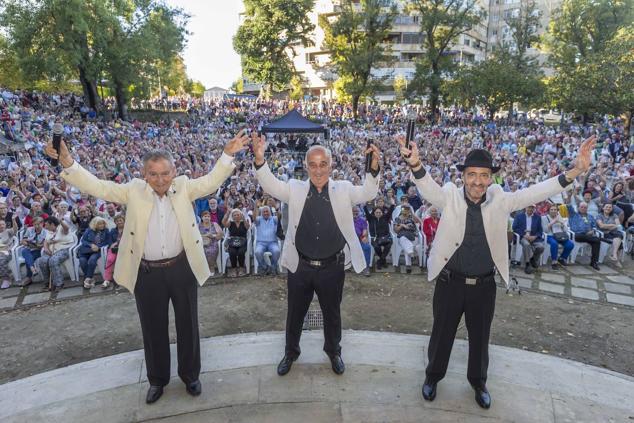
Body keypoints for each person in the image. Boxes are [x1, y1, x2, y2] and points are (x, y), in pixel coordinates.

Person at [45, 130, 248, 404]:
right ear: (144, 174)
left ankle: (191, 375)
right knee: (152, 329)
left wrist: (227, 153)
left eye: (165, 173)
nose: (160, 180)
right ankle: (157, 380)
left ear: (174, 171)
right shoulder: (133, 191)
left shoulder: (185, 186)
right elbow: (98, 186)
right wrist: (68, 162)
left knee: (188, 324)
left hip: (181, 268)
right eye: (154, 174)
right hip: (147, 272)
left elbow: (212, 181)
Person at [398, 134, 595, 409]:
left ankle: (478, 382)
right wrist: (415, 163)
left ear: (491, 178)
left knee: (480, 338)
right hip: (449, 283)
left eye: (483, 175)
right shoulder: (450, 197)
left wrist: (575, 170)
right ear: (463, 176)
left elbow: (537, 191)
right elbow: (427, 187)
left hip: (483, 286)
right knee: (441, 334)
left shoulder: (501, 200)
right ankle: (433, 377)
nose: (477, 181)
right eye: (472, 175)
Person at [253, 133, 380, 377]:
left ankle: (334, 352)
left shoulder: (343, 189)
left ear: (331, 165)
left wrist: (373, 170)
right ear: (306, 166)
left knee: (332, 314)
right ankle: (291, 352)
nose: (318, 170)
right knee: (295, 314)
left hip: (332, 267)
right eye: (313, 164)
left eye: (323, 164)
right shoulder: (295, 189)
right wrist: (260, 160)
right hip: (300, 266)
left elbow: (368, 193)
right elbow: (271, 185)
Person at [35, 216, 75, 291]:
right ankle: (48, 283)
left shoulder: (61, 228)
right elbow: (46, 242)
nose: (45, 226)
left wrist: (61, 221)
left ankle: (59, 283)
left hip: (63, 249)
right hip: (52, 250)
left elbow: (66, 229)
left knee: (53, 260)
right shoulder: (49, 231)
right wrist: (46, 250)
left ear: (52, 224)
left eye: (46, 224)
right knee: (42, 261)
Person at [567, 202, 603, 270]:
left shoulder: (590, 216)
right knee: (595, 239)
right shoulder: (573, 214)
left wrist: (592, 231)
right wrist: (568, 197)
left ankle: (594, 262)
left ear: (587, 209)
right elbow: (569, 206)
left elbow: (594, 226)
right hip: (577, 235)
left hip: (588, 236)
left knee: (596, 242)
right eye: (582, 207)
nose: (583, 208)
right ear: (578, 208)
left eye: (585, 207)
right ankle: (601, 239)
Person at [77, 216, 110, 288]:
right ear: (95, 224)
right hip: (86, 250)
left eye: (103, 224)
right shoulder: (89, 230)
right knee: (82, 261)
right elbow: (83, 240)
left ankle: (87, 279)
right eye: (99, 224)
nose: (102, 225)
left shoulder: (106, 230)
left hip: (96, 251)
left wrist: (99, 246)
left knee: (92, 260)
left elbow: (108, 241)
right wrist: (91, 244)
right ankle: (90, 278)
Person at [512, 205, 545, 274]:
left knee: (541, 247)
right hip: (523, 237)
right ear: (525, 207)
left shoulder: (537, 217)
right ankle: (527, 264)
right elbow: (514, 228)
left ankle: (533, 259)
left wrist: (535, 236)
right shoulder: (519, 216)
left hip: (534, 238)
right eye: (529, 207)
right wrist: (524, 235)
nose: (530, 209)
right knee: (526, 244)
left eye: (532, 207)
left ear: (534, 208)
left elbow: (540, 230)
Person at [541, 204, 574, 270]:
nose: (553, 211)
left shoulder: (560, 217)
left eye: (555, 210)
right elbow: (545, 230)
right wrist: (553, 222)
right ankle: (554, 261)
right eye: (551, 210)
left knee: (570, 244)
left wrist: (562, 224)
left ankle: (562, 258)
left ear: (557, 211)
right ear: (549, 211)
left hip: (560, 236)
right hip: (549, 236)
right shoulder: (544, 218)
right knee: (554, 244)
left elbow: (565, 230)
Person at [253, 203, 281, 275]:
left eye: (267, 211)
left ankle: (273, 266)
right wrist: (255, 208)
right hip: (261, 243)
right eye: (264, 212)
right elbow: (254, 218)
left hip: (273, 242)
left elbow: (280, 216)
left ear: (270, 212)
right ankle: (265, 267)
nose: (265, 213)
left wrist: (276, 207)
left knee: (277, 251)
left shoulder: (274, 218)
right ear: (261, 213)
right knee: (257, 252)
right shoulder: (259, 219)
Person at [19, 216, 48, 286]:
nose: (37, 226)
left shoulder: (45, 232)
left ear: (42, 224)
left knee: (28, 258)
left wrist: (37, 245)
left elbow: (44, 245)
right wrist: (26, 243)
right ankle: (33, 269)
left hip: (39, 251)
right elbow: (23, 240)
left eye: (38, 224)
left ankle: (29, 277)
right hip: (29, 249)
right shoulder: (29, 230)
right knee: (24, 251)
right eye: (35, 224)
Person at [222, 208, 250, 277]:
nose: (236, 216)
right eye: (234, 215)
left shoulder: (244, 222)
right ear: (232, 216)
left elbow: (248, 227)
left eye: (238, 215)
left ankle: (241, 268)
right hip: (232, 242)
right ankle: (233, 268)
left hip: (242, 242)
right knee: (232, 252)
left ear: (241, 215)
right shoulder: (230, 223)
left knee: (241, 252)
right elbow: (223, 223)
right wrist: (227, 214)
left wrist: (244, 219)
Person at [364, 204, 392, 270]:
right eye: (377, 212)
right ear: (374, 213)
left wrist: (392, 204)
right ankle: (383, 261)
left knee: (388, 245)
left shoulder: (385, 217)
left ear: (382, 213)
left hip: (385, 238)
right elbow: (366, 212)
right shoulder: (371, 218)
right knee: (377, 247)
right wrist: (365, 205)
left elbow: (390, 211)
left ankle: (380, 261)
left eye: (380, 212)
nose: (378, 213)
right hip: (375, 238)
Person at [596, 203, 624, 268]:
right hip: (603, 234)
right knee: (619, 238)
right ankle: (616, 260)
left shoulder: (614, 215)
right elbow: (601, 226)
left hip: (613, 233)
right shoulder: (599, 216)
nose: (608, 208)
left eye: (610, 207)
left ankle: (614, 255)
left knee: (618, 235)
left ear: (612, 209)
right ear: (603, 208)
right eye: (606, 207)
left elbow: (618, 225)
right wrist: (612, 225)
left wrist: (608, 227)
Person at [102, 213, 125, 289]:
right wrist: (112, 244)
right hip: (114, 249)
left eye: (121, 220)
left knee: (121, 260)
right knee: (110, 260)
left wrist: (118, 243)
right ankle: (107, 279)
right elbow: (109, 241)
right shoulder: (112, 231)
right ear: (115, 222)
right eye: (117, 221)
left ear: (124, 221)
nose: (119, 222)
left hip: (124, 250)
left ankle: (120, 279)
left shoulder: (127, 231)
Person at [394, 206, 419, 273]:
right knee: (404, 240)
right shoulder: (398, 219)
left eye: (407, 209)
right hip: (402, 237)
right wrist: (402, 225)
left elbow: (418, 221)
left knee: (407, 247)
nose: (405, 211)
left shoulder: (411, 217)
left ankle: (409, 264)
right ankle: (410, 258)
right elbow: (396, 230)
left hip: (413, 237)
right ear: (401, 210)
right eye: (404, 209)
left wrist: (412, 213)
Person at [198, 210, 222, 275]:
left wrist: (213, 236)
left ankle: (211, 267)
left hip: (213, 242)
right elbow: (195, 236)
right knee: (200, 251)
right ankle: (204, 269)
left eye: (208, 216)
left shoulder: (214, 224)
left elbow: (220, 234)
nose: (207, 218)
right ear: (202, 218)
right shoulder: (198, 225)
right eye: (205, 216)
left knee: (211, 251)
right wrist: (204, 236)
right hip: (201, 243)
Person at [352, 206, 372, 276]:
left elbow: (365, 231)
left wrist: (364, 237)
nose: (355, 213)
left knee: (367, 247)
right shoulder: (347, 221)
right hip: (350, 240)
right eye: (353, 211)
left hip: (360, 238)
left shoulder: (362, 220)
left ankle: (366, 267)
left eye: (356, 211)